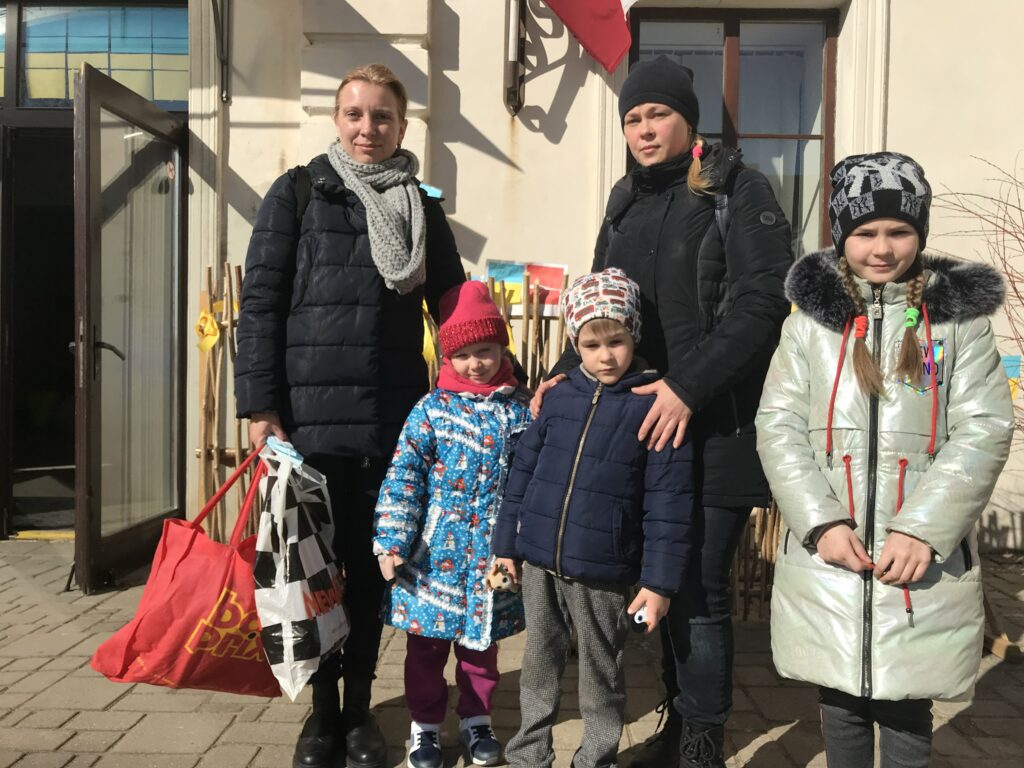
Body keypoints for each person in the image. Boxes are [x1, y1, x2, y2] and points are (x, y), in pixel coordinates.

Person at [534, 56, 793, 767]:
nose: (645, 129)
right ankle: (678, 726)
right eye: (633, 119)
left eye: (658, 115)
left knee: (699, 586)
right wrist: (561, 375)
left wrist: (687, 387)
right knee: (659, 578)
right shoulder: (625, 199)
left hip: (716, 423)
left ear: (688, 120)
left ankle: (702, 742)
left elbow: (763, 302)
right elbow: (601, 305)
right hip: (641, 429)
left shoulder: (736, 188)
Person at [234, 63, 465, 768]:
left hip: (392, 424)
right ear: (337, 120)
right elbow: (261, 303)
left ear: (402, 125)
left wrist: (487, 386)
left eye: (383, 116)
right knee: (313, 575)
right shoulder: (298, 193)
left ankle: (360, 709)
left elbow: (453, 306)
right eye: (355, 114)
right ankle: (322, 713)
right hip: (307, 426)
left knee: (368, 574)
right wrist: (260, 406)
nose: (369, 128)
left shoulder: (421, 208)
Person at [756, 151, 1014, 767]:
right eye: (865, 232)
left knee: (906, 702)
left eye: (899, 231)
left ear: (919, 233)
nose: (881, 248)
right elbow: (779, 425)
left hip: (920, 556)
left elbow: (983, 428)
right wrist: (820, 522)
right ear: (840, 235)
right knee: (839, 698)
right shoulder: (809, 326)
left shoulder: (958, 324)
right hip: (832, 551)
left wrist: (922, 529)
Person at [492, 268, 696, 768]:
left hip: (603, 570)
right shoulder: (557, 397)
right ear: (574, 345)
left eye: (616, 341)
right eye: (591, 344)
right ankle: (528, 754)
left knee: (601, 672)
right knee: (538, 662)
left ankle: (597, 758)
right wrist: (505, 546)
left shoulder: (654, 405)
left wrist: (659, 584)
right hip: (539, 560)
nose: (605, 356)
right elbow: (521, 473)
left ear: (634, 336)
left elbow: (669, 503)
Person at [372, 281, 531, 768]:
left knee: (481, 647)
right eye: (462, 354)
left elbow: (534, 479)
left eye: (485, 351)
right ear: (447, 356)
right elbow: (404, 476)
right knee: (425, 649)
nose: (475, 364)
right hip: (432, 559)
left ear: (502, 348)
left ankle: (477, 719)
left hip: (494, 557)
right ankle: (424, 726)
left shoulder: (520, 411)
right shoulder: (431, 410)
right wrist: (391, 540)